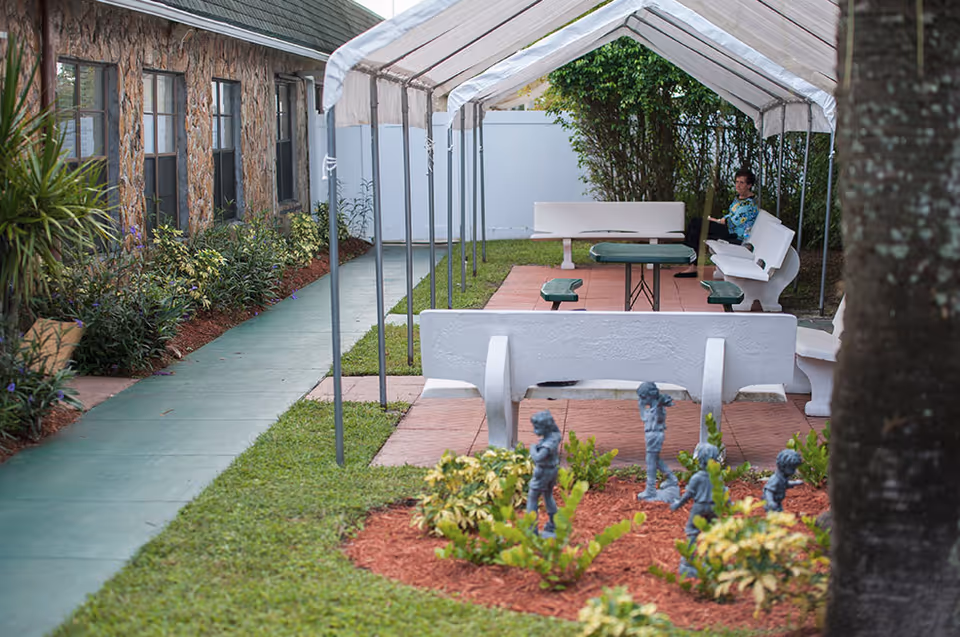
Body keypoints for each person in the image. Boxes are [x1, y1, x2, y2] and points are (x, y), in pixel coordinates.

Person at [675, 168, 759, 277]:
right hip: (728, 229)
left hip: (734, 235)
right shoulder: (739, 199)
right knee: (695, 224)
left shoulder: (749, 205)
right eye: (736, 182)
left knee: (697, 225)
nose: (738, 185)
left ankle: (692, 264)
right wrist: (715, 220)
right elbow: (729, 216)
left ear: (749, 185)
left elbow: (730, 222)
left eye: (742, 183)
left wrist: (714, 220)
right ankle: (692, 263)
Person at [636, 382, 678, 501]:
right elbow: (644, 417)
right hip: (650, 435)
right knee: (656, 460)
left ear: (651, 396)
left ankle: (650, 489)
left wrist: (659, 405)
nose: (641, 400)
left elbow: (659, 417)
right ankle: (671, 478)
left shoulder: (659, 409)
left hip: (655, 435)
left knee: (650, 461)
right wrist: (641, 403)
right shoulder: (650, 409)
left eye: (643, 397)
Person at [527, 410, 562, 538]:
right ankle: (554, 525)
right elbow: (557, 431)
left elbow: (538, 458)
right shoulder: (555, 435)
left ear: (545, 427)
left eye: (537, 427)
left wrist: (532, 449)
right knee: (548, 496)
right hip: (552, 470)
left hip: (543, 472)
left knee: (532, 498)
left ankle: (532, 530)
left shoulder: (548, 443)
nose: (535, 430)